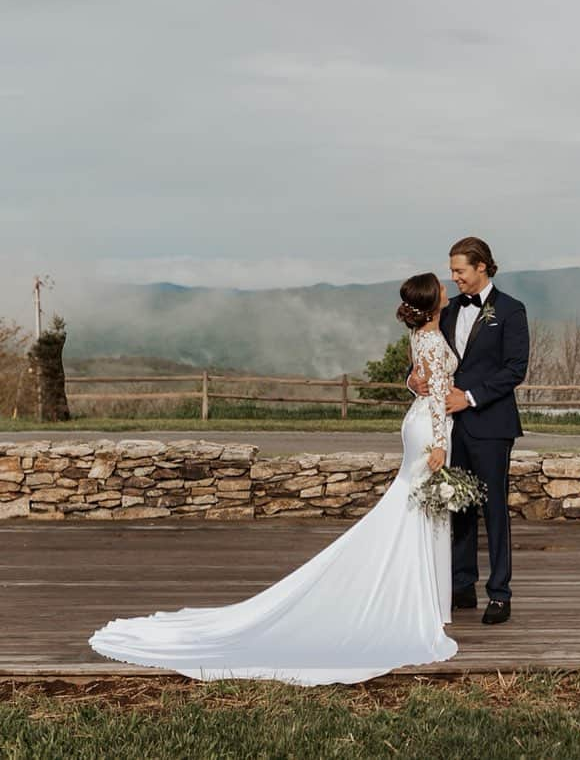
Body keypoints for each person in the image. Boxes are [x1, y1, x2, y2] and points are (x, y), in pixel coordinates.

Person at [89, 273, 459, 686]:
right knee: (421, 511)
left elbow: (422, 381)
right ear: (432, 303)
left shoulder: (422, 334)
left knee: (413, 510)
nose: (449, 288)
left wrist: (415, 386)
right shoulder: (430, 337)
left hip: (416, 424)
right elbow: (440, 395)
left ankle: (423, 599)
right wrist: (441, 446)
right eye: (443, 288)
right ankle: (420, 606)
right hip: (430, 429)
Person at [408, 237, 529, 625]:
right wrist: (413, 382)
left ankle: (499, 593)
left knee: (494, 508)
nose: (454, 277)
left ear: (482, 267)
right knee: (455, 505)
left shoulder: (511, 311)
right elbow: (425, 356)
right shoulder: (447, 309)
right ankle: (461, 584)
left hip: (491, 424)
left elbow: (514, 370)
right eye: (452, 271)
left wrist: (471, 397)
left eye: (460, 270)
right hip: (448, 426)